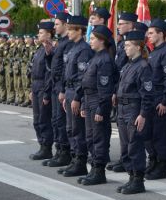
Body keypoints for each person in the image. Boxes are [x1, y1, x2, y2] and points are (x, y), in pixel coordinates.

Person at [115, 30, 154, 194]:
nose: (125, 48)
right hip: (123, 109)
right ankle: (131, 177)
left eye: (129, 45)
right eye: (125, 45)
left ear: (138, 47)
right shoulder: (128, 65)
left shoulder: (144, 67)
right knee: (125, 146)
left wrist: (143, 114)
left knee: (134, 146)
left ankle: (138, 180)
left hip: (134, 109)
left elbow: (147, 94)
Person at [80, 25, 117, 186]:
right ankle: (94, 168)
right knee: (90, 137)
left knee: (99, 137)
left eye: (93, 38)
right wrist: (83, 103)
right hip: (89, 99)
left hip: (97, 101)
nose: (90, 41)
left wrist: (101, 108)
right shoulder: (96, 57)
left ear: (102, 41)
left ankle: (99, 171)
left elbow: (105, 88)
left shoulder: (105, 60)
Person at [59, 15, 94, 178]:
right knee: (70, 129)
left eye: (71, 29)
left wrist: (77, 98)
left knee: (77, 130)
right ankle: (74, 159)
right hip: (70, 90)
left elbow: (82, 77)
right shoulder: (73, 47)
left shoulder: (84, 50)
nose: (68, 31)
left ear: (79, 31)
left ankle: (80, 162)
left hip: (76, 92)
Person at [144, 19, 166, 180]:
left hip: (160, 98)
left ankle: (161, 166)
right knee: (149, 134)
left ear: (160, 34)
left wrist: (165, 101)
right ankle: (153, 161)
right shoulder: (154, 51)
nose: (148, 36)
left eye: (151, 33)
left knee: (160, 134)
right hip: (151, 98)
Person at [107, 11, 138, 173]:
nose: (118, 26)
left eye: (122, 23)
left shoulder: (135, 44)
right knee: (122, 131)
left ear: (131, 25)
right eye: (118, 23)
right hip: (120, 89)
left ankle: (129, 162)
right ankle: (124, 158)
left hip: (130, 94)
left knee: (130, 133)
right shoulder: (121, 44)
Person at [45, 13, 73, 168]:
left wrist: (62, 88)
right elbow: (53, 66)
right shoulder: (60, 42)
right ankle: (59, 151)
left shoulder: (68, 43)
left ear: (65, 25)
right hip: (55, 86)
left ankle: (65, 152)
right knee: (56, 120)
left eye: (57, 24)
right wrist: (49, 53)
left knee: (62, 121)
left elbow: (65, 69)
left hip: (61, 86)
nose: (54, 27)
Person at [29, 22, 55, 161]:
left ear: (49, 34)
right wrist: (31, 90)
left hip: (44, 87)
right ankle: (41, 145)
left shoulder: (49, 50)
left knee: (44, 119)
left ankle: (47, 147)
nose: (38, 35)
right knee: (37, 120)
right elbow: (34, 72)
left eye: (41, 32)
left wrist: (46, 93)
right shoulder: (39, 49)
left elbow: (49, 74)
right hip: (36, 86)